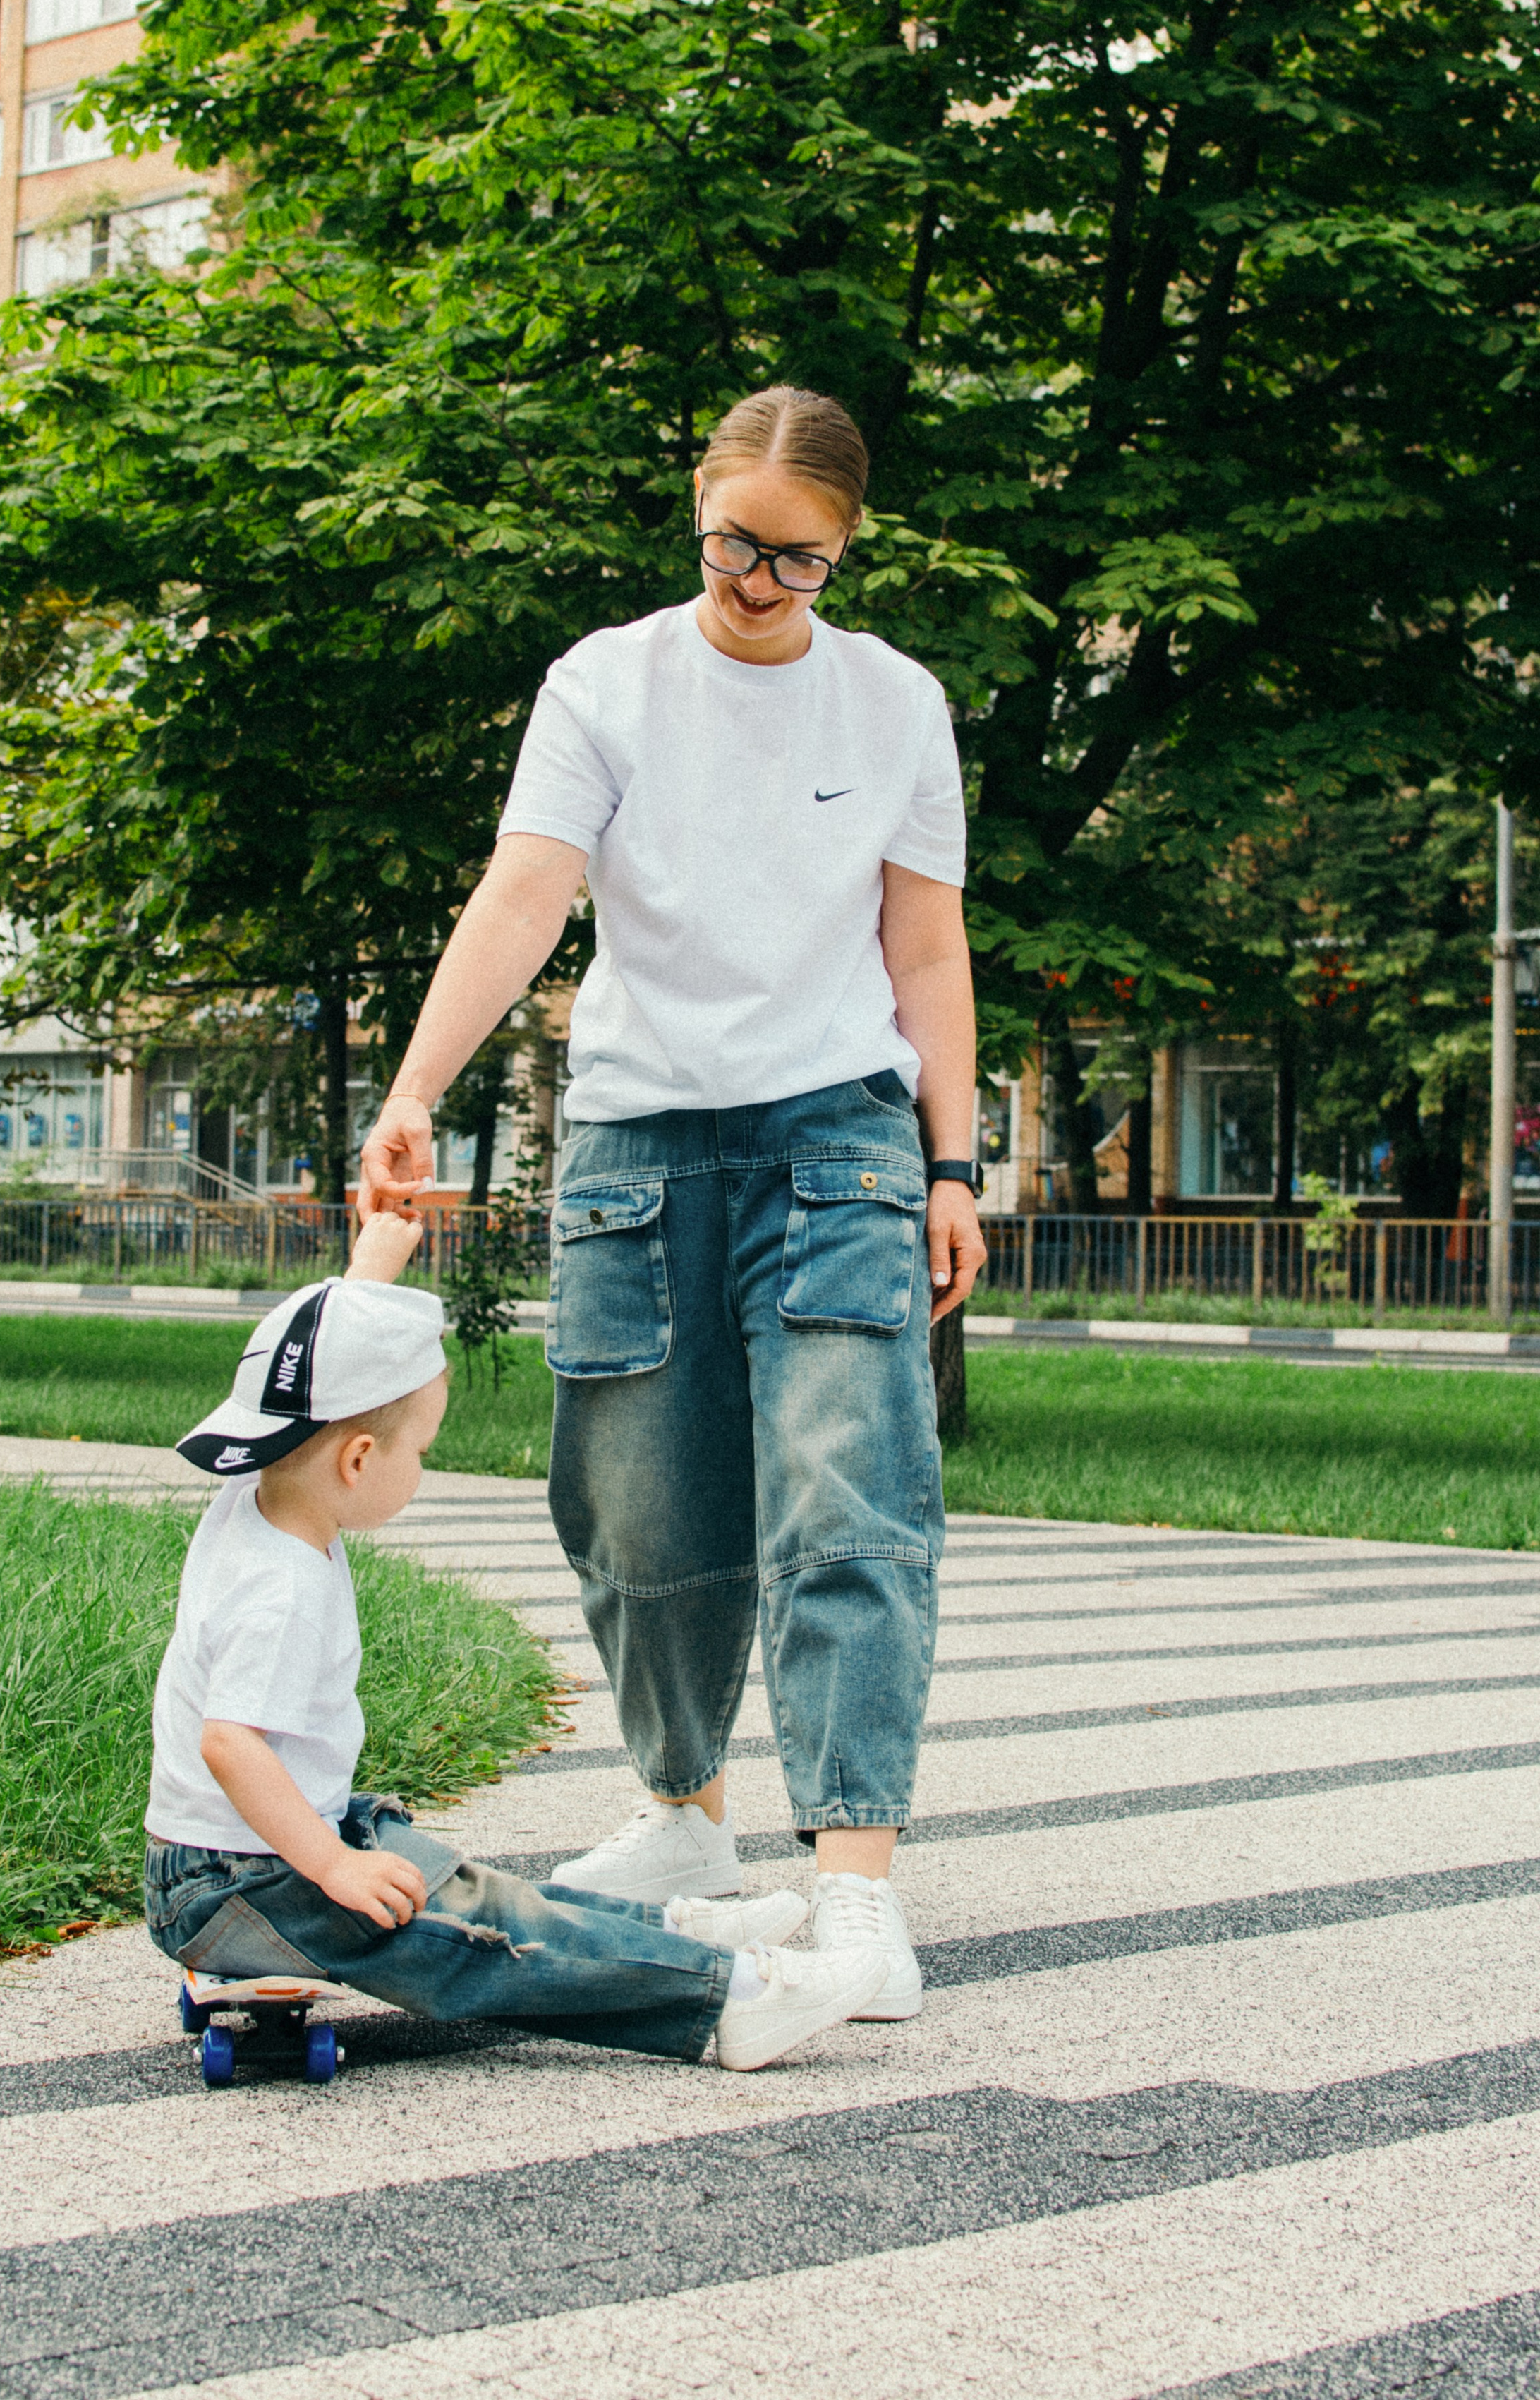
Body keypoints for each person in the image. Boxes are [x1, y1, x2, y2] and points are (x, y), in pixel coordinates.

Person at [359, 384, 986, 2024]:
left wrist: (950, 1160)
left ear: (845, 547)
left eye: (799, 562)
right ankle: (682, 1815)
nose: (757, 584)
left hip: (838, 1138)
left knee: (848, 1496)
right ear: (696, 505)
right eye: (733, 544)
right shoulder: (606, 683)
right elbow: (524, 893)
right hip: (636, 1142)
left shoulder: (895, 704)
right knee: (632, 1509)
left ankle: (853, 1888)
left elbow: (923, 949)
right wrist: (419, 1086)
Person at [143, 1211, 891, 2071]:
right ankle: (730, 2002)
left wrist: (374, 1264)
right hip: (245, 1881)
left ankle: (670, 1930)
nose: (423, 1464)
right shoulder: (283, 1589)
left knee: (472, 1893)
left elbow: (321, 1357)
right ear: (356, 1460)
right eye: (421, 1448)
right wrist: (331, 1869)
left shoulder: (263, 1485)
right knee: (477, 1947)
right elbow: (230, 1743)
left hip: (249, 1853)